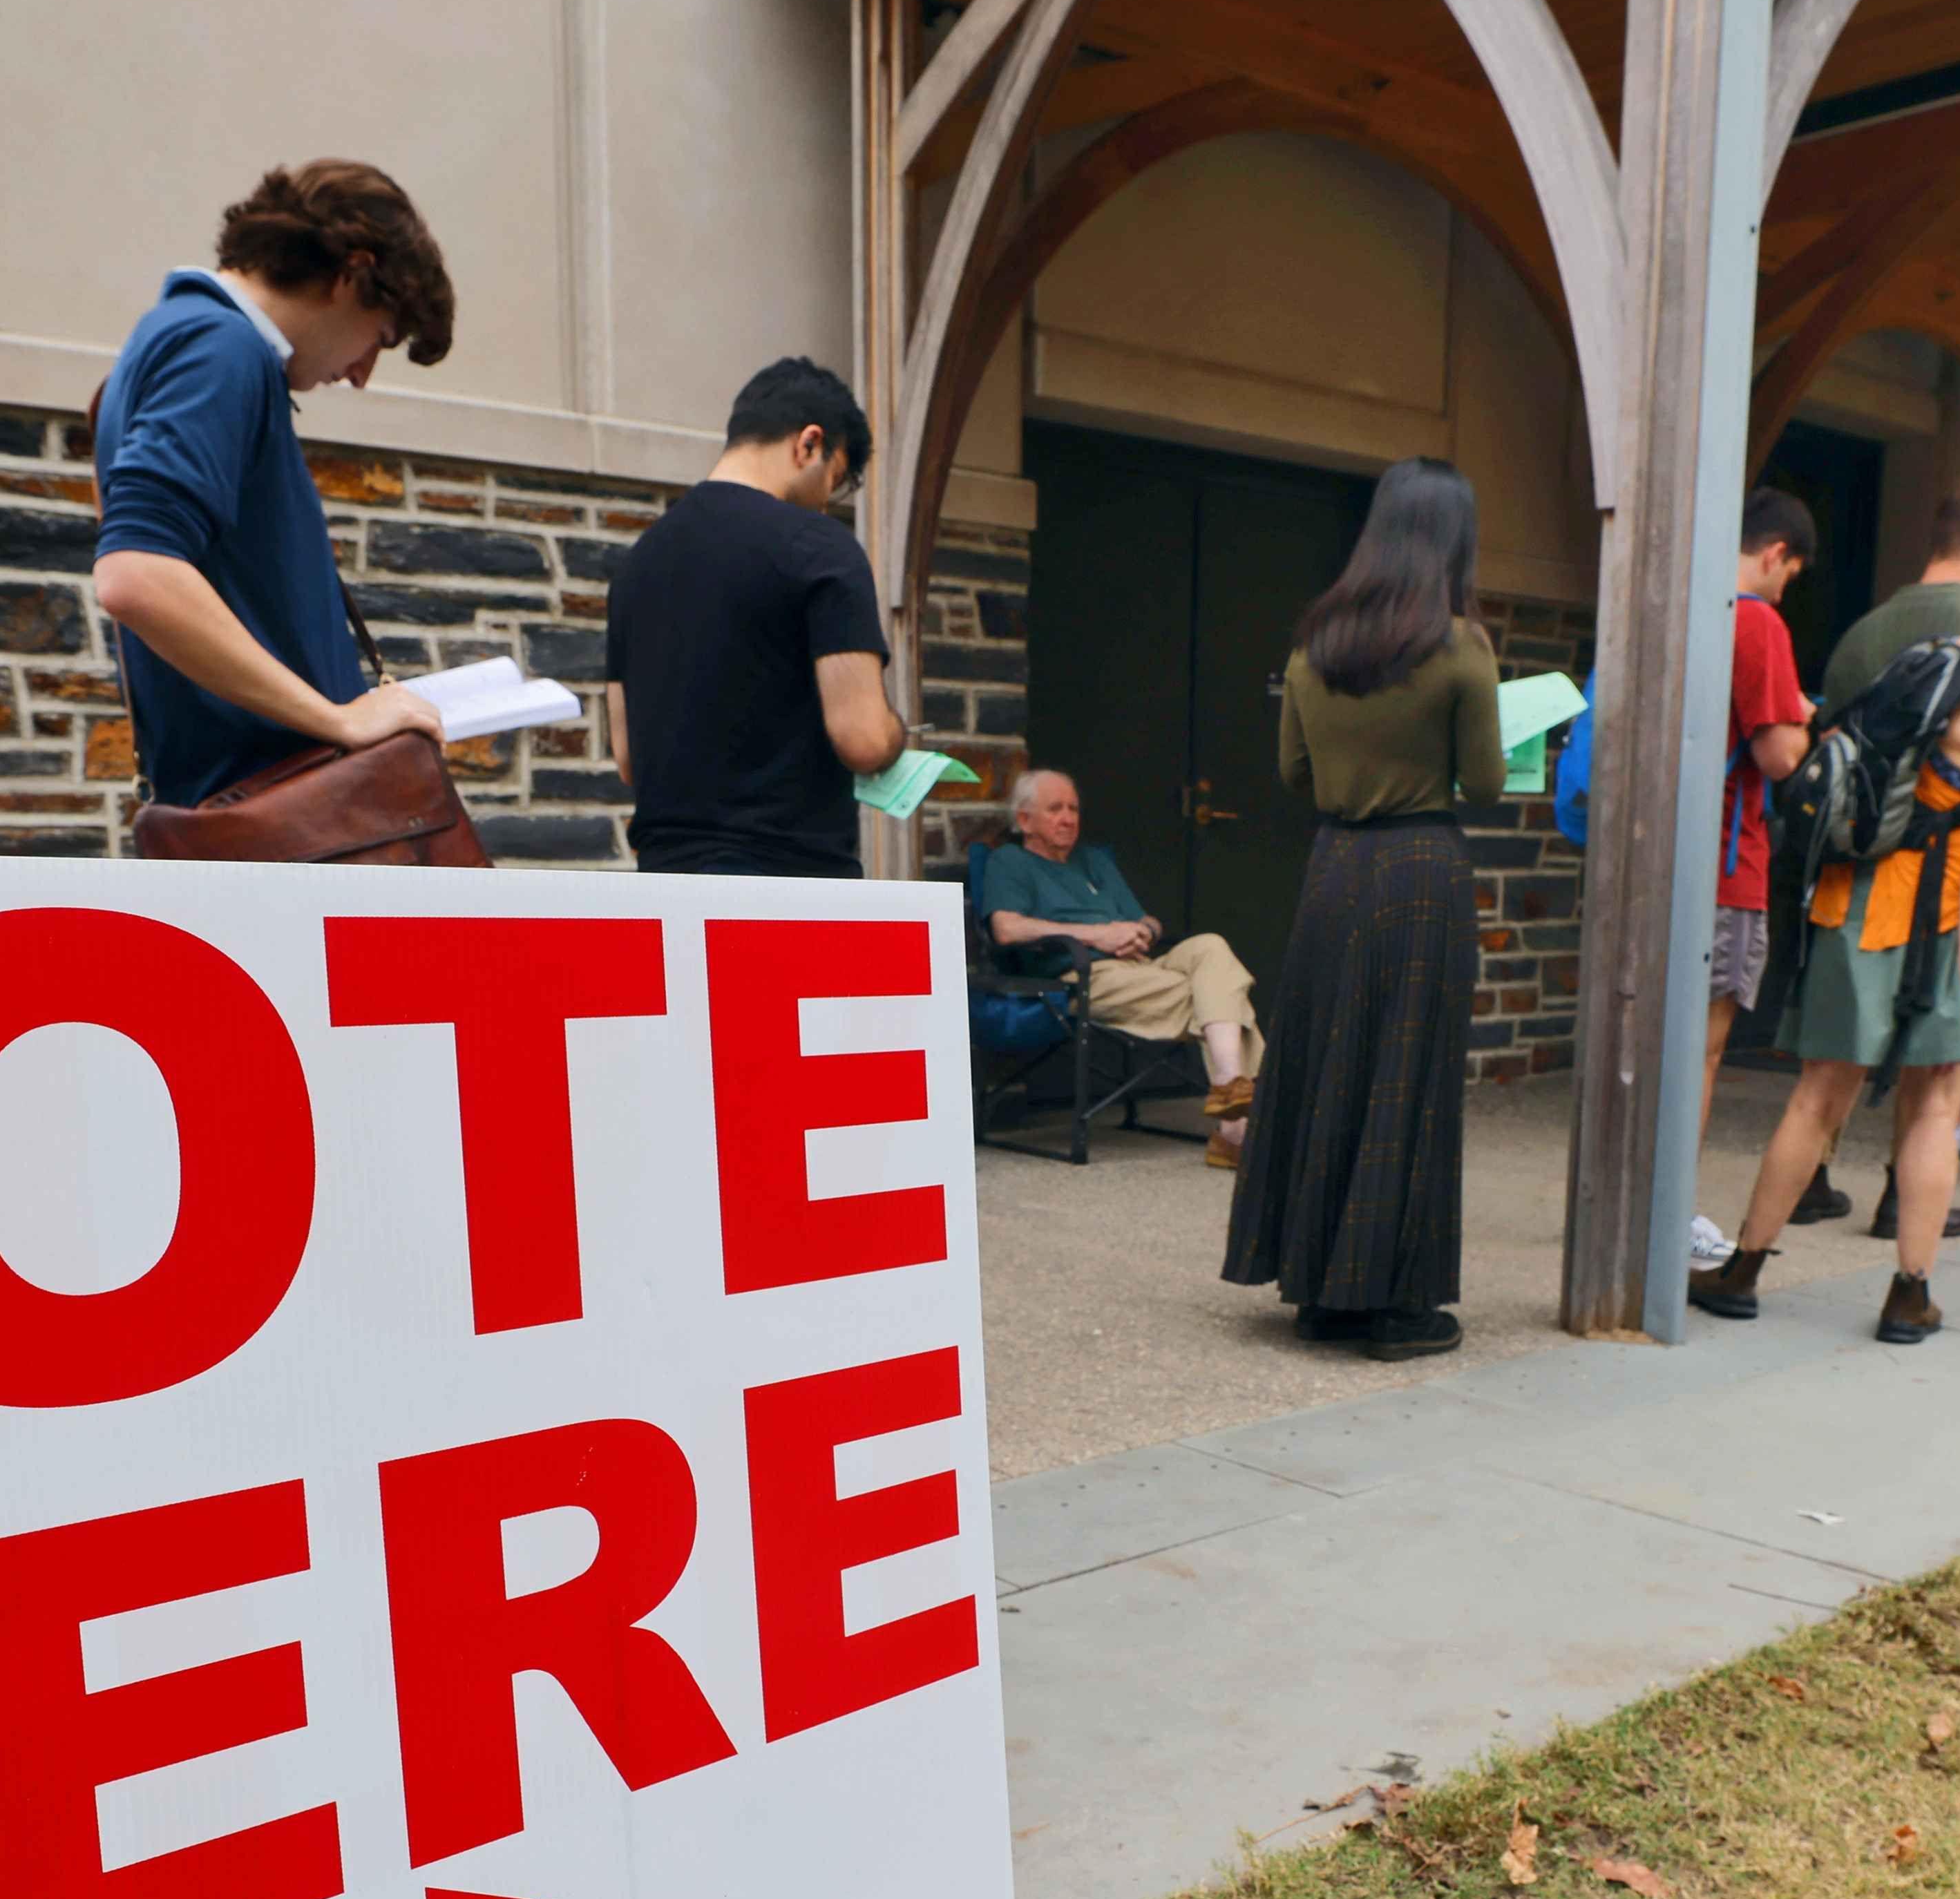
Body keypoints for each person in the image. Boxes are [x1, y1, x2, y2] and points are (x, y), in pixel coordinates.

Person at [1691, 531, 1960, 1343]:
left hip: (1853, 900)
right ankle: (1908, 1295)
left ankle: (1742, 1269)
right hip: (1942, 921)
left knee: (1817, 1094)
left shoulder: (1933, 657)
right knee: (1935, 1103)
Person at [1221, 459, 1506, 1362]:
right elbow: (1489, 782)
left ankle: (1319, 1290)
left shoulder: (1314, 646)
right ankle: (1395, 1304)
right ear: (1451, 540)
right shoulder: (1462, 645)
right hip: (1422, 867)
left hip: (1333, 869)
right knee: (1407, 1078)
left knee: (1328, 1065)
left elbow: (1295, 775)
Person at [90, 162, 458, 809]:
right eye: (382, 337)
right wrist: (341, 720)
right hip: (273, 816)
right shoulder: (219, 349)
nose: (363, 374)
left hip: (254, 809)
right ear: (352, 275)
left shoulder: (189, 337)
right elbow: (136, 573)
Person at [1804, 475, 1960, 1197]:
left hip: (1850, 866)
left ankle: (1807, 1180)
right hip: (1947, 875)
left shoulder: (1863, 630)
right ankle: (1904, 1198)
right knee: (1933, 1069)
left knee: (1833, 1060)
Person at [611, 358, 905, 876]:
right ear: (809, 444)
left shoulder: (639, 561)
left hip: (664, 881)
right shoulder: (819, 547)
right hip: (787, 888)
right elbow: (862, 739)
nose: (822, 507)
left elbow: (629, 758)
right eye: (830, 484)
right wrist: (895, 734)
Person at [971, 767, 1261, 1163]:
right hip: (1082, 974)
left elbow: (1147, 919)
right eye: (1055, 809)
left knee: (1211, 947)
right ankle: (1237, 1127)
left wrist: (1142, 930)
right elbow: (1006, 929)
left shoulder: (1092, 860)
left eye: (1073, 808)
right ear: (1025, 820)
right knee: (1222, 994)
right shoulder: (1010, 862)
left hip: (1140, 964)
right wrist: (1098, 935)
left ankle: (1229, 1089)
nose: (1069, 818)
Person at [1683, 490, 1819, 1263]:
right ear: (1775, 554)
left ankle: (1625, 1193)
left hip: (1657, 860)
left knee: (1648, 1044)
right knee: (1698, 1053)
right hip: (1724, 865)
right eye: (1789, 573)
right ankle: (1667, 1209)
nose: (1783, 586)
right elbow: (1778, 756)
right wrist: (1799, 714)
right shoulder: (1756, 621)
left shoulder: (1681, 608)